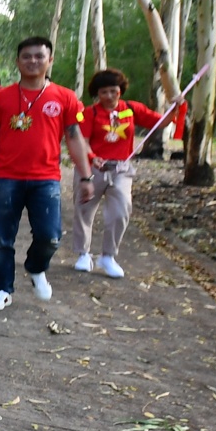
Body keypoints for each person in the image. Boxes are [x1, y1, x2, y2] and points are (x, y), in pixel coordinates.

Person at [0, 37, 93, 311]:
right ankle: (2, 289)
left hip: (46, 179)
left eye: (40, 56)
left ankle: (36, 267)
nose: (33, 61)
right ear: (17, 62)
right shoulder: (1, 98)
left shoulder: (65, 97)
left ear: (50, 60)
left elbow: (74, 138)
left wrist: (86, 177)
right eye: (26, 56)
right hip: (6, 177)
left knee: (50, 236)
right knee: (3, 237)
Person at [73, 68, 162, 278]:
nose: (109, 96)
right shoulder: (89, 113)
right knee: (84, 209)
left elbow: (161, 120)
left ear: (120, 90)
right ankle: (83, 254)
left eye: (114, 91)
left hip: (122, 168)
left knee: (121, 211)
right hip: (93, 168)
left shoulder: (131, 109)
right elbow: (81, 142)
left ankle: (108, 256)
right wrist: (93, 157)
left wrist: (178, 104)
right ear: (97, 93)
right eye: (104, 92)